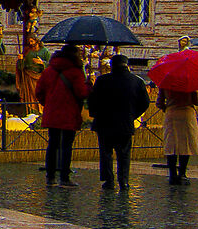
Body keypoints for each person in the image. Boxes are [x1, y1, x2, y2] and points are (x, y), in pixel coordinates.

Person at [88, 53, 147, 187]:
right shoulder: (137, 81)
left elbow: (93, 101)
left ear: (112, 66)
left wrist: (96, 114)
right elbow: (145, 103)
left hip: (104, 122)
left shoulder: (102, 80)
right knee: (124, 154)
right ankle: (124, 180)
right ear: (127, 65)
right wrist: (133, 115)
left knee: (106, 153)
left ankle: (109, 180)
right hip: (125, 122)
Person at [38, 41, 90, 186]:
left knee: (52, 144)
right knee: (67, 145)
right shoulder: (75, 72)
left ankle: (50, 177)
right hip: (69, 113)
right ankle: (64, 178)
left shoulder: (49, 70)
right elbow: (81, 93)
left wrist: (48, 103)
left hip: (52, 112)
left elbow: (39, 92)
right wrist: (89, 87)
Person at [159, 84, 198, 184]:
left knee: (171, 145)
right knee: (186, 145)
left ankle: (172, 174)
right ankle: (182, 174)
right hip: (187, 115)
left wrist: (166, 107)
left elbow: (159, 102)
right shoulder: (190, 82)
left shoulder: (166, 82)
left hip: (171, 114)